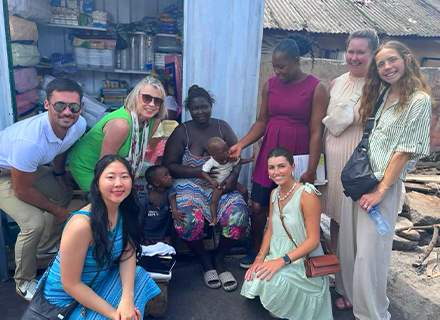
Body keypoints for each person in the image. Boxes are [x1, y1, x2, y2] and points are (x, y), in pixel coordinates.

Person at [336, 41, 432, 320]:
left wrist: (381, 191)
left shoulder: (419, 100)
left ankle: (372, 314)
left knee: (371, 256)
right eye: (381, 64)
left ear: (407, 59)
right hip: (360, 181)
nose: (387, 67)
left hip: (380, 187)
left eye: (392, 60)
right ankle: (353, 299)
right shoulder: (385, 94)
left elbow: (404, 150)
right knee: (350, 248)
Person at [229, 34, 328, 268]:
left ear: (296, 61)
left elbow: (317, 132)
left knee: (296, 210)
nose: (277, 71)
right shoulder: (270, 85)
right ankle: (257, 251)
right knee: (258, 205)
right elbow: (262, 122)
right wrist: (241, 144)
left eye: (281, 66)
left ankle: (294, 255)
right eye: (274, 66)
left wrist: (312, 169)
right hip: (270, 153)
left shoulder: (317, 88)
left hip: (299, 154)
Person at [41, 155, 160, 319]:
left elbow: (128, 253)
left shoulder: (123, 211)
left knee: (137, 275)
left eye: (124, 177)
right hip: (63, 303)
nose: (118, 183)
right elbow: (71, 285)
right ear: (97, 185)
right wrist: (114, 314)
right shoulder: (80, 226)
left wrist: (127, 300)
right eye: (111, 177)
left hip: (98, 283)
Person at [0, 78, 86, 301]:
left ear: (80, 108)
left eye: (73, 107)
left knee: (63, 194)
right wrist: (57, 211)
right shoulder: (29, 141)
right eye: (60, 105)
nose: (67, 112)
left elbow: (61, 147)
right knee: (33, 223)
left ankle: (44, 248)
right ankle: (24, 281)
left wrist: (59, 175)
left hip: (27, 168)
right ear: (47, 105)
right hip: (4, 173)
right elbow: (22, 190)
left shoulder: (79, 124)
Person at [162, 85, 249, 292]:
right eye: (195, 108)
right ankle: (204, 260)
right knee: (187, 219)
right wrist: (201, 172)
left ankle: (219, 257)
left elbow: (235, 159)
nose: (200, 112)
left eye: (204, 107)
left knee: (238, 214)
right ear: (189, 110)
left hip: (220, 186)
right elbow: (169, 166)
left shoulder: (223, 128)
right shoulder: (182, 131)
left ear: (211, 106)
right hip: (189, 185)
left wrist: (233, 177)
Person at [319, 29, 379, 292]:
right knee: (335, 216)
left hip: (359, 163)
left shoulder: (380, 86)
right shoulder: (336, 83)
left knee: (356, 223)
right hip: (333, 161)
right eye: (351, 51)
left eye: (360, 52)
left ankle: (354, 283)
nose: (354, 57)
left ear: (373, 54)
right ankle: (336, 271)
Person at [241, 147, 333, 320]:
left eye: (281, 166)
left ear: (292, 167)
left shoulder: (307, 194)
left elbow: (313, 241)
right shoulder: (274, 194)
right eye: (272, 167)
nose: (276, 172)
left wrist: (281, 261)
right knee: (255, 276)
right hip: (277, 251)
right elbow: (270, 229)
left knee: (275, 284)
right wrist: (260, 258)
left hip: (300, 256)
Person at [69, 76, 167, 192]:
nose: (152, 104)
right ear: (136, 97)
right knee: (108, 201)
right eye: (146, 98)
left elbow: (139, 152)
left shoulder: (153, 121)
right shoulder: (121, 125)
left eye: (157, 101)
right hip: (88, 166)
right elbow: (104, 166)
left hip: (117, 167)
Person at [201, 137, 253, 226]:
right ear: (214, 154)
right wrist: (211, 180)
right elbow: (203, 172)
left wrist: (250, 159)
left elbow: (239, 161)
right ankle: (213, 218)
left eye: (227, 150)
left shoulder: (229, 158)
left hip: (230, 183)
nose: (226, 153)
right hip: (219, 185)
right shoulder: (211, 162)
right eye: (222, 152)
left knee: (244, 191)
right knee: (214, 201)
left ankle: (246, 208)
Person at [139, 165, 184, 245]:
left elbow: (172, 198)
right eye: (165, 176)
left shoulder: (169, 191)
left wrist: (175, 211)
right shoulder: (146, 199)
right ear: (156, 183)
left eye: (169, 174)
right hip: (148, 235)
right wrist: (139, 234)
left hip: (163, 234)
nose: (170, 177)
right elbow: (141, 217)